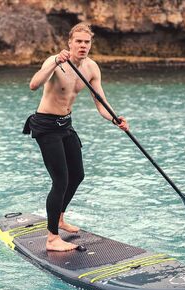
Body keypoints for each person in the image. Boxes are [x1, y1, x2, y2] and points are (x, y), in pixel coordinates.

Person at [24, 22, 129, 252]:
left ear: (91, 44)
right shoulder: (55, 62)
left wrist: (115, 119)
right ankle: (52, 239)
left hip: (65, 125)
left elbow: (101, 103)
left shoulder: (91, 68)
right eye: (78, 41)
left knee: (77, 175)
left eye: (86, 42)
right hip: (46, 126)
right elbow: (33, 85)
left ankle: (59, 218)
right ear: (69, 43)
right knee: (60, 180)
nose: (82, 45)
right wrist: (53, 63)